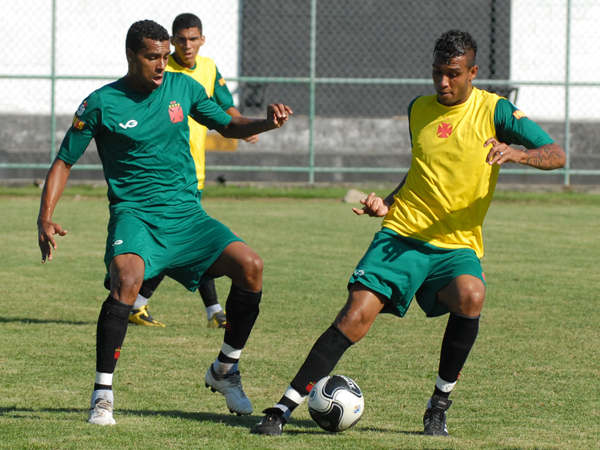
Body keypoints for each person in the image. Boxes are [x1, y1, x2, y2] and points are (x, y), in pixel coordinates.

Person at [253, 29, 565, 437]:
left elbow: (557, 154)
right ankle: (282, 408)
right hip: (401, 236)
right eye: (437, 72)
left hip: (455, 245)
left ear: (472, 72)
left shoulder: (496, 111)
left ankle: (438, 406)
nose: (443, 82)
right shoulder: (418, 108)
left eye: (453, 74)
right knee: (354, 317)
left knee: (471, 295)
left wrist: (518, 153)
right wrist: (389, 202)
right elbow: (422, 169)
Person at [37, 19, 292, 426]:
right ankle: (102, 395)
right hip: (136, 216)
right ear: (131, 55)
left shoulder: (183, 88)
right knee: (127, 279)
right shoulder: (101, 103)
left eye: (165, 56)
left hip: (187, 216)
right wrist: (45, 217)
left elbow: (228, 125)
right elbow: (64, 161)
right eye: (152, 57)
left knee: (251, 266)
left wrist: (266, 122)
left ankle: (226, 369)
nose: (161, 64)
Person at [127, 12, 259, 329]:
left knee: (186, 241)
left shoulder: (209, 68)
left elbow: (226, 106)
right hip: (165, 175)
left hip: (194, 170)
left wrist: (246, 126)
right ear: (172, 41)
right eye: (182, 40)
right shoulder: (161, 70)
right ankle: (210, 310)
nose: (188, 45)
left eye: (193, 39)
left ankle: (143, 302)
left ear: (202, 40)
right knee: (182, 243)